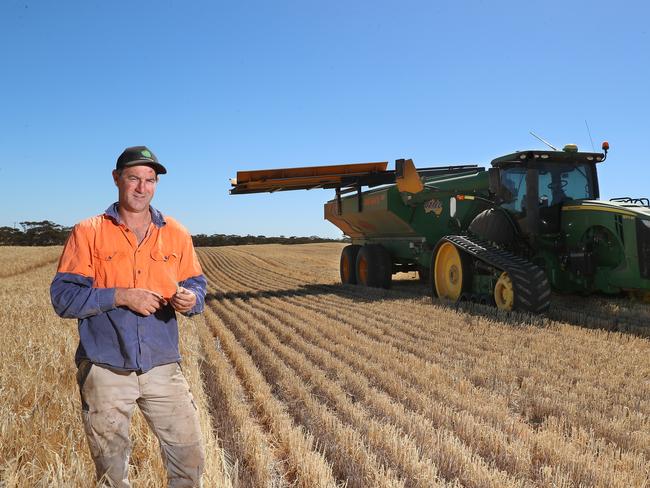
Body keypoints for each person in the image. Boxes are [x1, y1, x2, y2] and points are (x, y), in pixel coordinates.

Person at [50, 146, 207, 487]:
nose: (141, 187)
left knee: (189, 459)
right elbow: (63, 299)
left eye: (150, 180)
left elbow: (197, 284)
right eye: (133, 178)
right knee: (112, 472)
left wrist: (191, 298)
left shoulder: (176, 233)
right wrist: (121, 296)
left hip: (162, 366)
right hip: (106, 368)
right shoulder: (88, 232)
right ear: (116, 179)